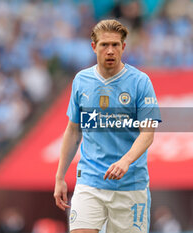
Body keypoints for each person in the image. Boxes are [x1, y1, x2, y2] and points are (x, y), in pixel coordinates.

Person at [53, 19, 161, 233]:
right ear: (94, 47)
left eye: (115, 45)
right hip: (90, 180)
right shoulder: (81, 81)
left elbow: (147, 134)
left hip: (130, 184)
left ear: (123, 47)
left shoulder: (140, 82)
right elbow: (73, 131)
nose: (110, 51)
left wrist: (126, 161)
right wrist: (59, 177)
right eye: (104, 45)